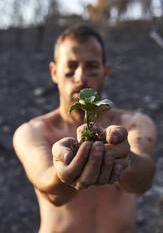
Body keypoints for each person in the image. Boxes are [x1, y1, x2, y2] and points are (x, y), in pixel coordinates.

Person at [13, 24, 156, 233]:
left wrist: (125, 158)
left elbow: (143, 179)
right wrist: (63, 173)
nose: (81, 77)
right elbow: (50, 190)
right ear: (54, 72)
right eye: (71, 67)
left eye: (92, 66)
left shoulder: (134, 123)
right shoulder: (32, 132)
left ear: (105, 72)